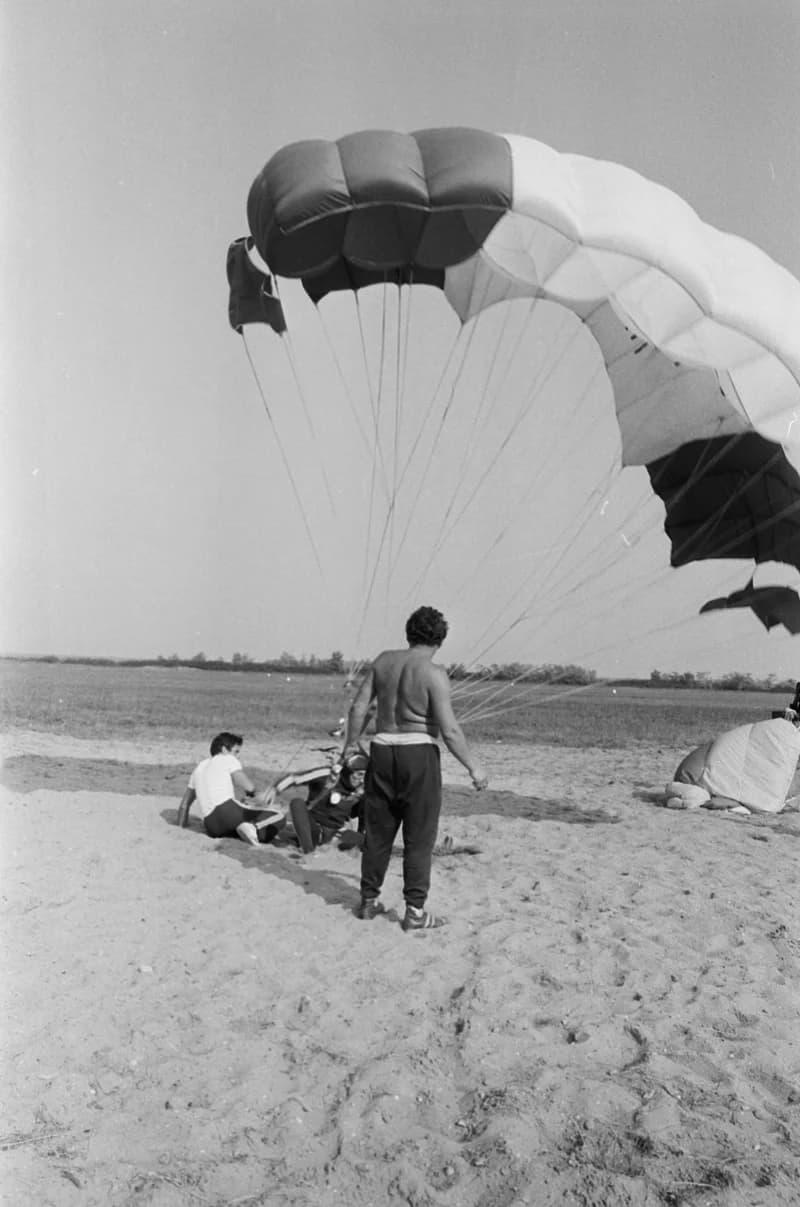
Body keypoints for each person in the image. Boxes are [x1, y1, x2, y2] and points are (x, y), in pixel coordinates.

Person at [343, 605, 488, 930]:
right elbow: (450, 730)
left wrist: (351, 746)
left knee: (378, 834)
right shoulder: (434, 674)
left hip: (381, 750)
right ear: (439, 640)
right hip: (418, 755)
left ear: (409, 633)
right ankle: (415, 913)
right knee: (419, 838)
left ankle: (367, 902)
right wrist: (474, 768)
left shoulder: (383, 662)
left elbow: (358, 708)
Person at [176, 731, 284, 845]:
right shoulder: (227, 758)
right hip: (228, 811)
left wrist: (180, 828)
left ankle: (246, 830)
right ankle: (254, 828)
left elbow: (184, 805)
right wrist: (255, 793)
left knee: (242, 812)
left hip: (212, 827)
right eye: (236, 751)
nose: (237, 756)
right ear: (224, 749)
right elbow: (242, 782)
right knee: (279, 816)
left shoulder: (199, 768)